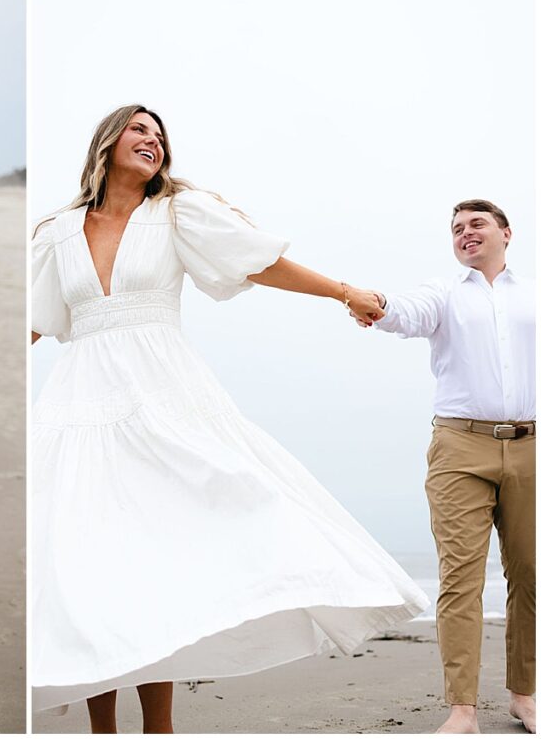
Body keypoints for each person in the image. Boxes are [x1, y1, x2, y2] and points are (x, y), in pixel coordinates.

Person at [30, 104, 430, 733]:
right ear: (107, 143)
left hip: (164, 395)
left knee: (161, 555)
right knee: (92, 562)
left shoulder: (177, 213)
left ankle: (158, 727)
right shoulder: (56, 230)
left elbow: (257, 263)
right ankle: (101, 729)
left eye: (160, 135)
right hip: (81, 401)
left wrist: (343, 291)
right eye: (140, 130)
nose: (153, 141)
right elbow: (31, 321)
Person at [359, 200, 535, 734]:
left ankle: (524, 696)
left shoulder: (533, 295)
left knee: (529, 574)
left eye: (476, 224)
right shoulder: (445, 293)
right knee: (460, 579)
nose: (465, 233)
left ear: (505, 232)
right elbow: (404, 314)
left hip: (531, 446)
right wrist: (375, 303)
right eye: (457, 229)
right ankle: (462, 710)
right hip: (460, 448)